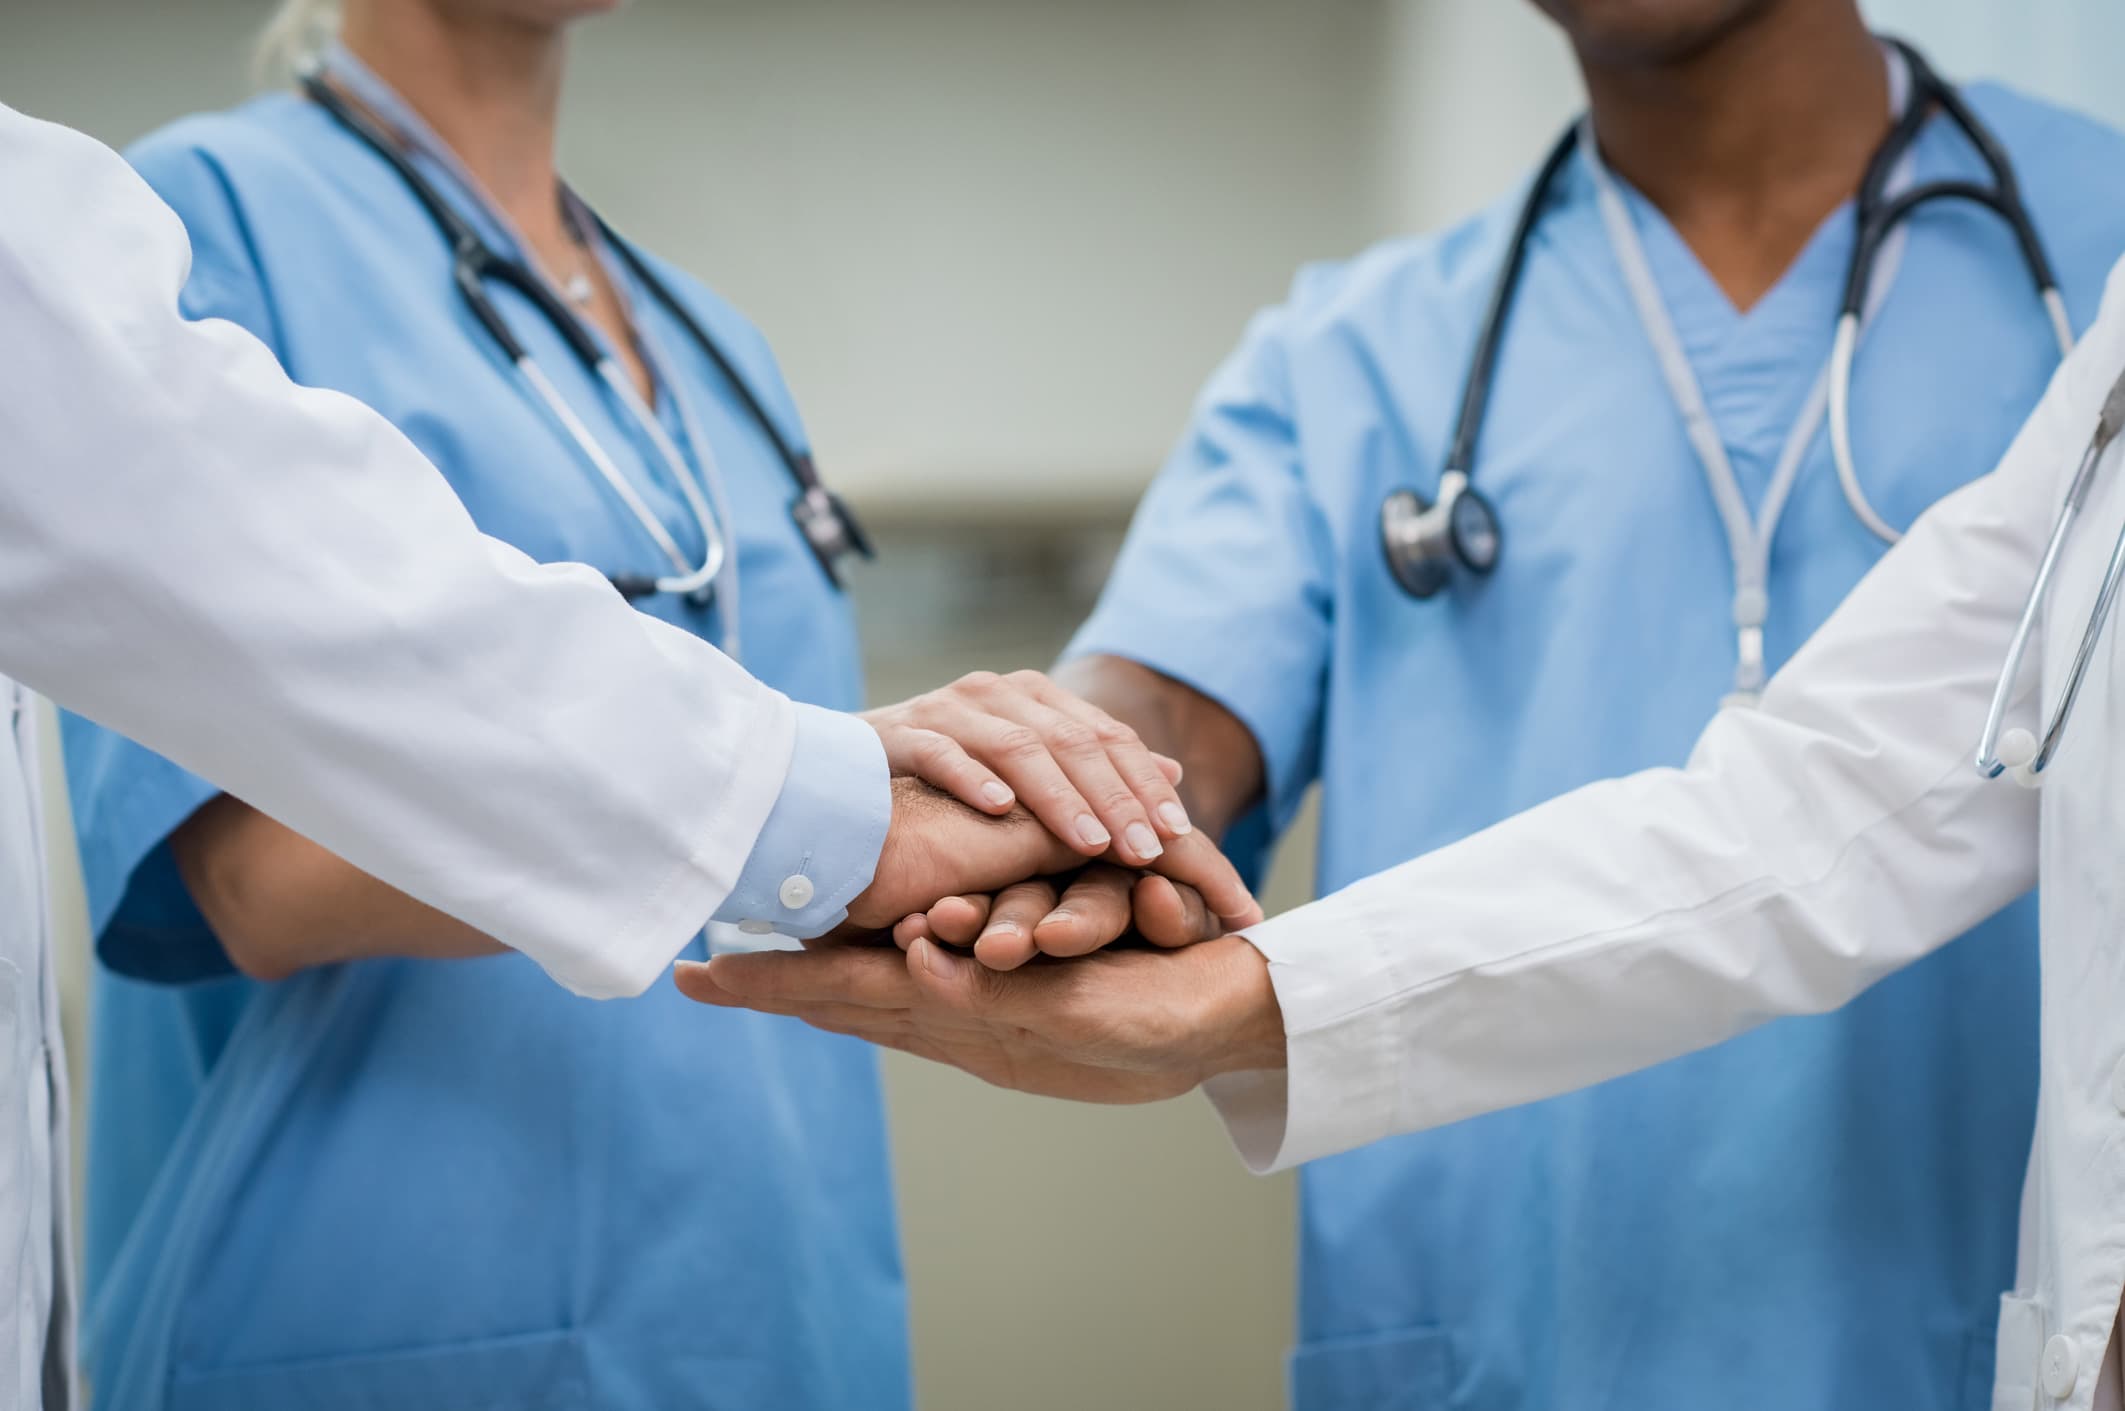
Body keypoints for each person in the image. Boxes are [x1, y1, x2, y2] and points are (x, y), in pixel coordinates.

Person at [680, 3, 2125, 1407]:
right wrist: (1040, 792)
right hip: (1502, 1330)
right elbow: (1165, 711)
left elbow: (1840, 808)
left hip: (1956, 1313)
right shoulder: (1353, 358)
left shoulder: (2099, 247)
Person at [51, 3, 1252, 1407]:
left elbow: (825, 835)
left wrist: (998, 847)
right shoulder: (185, 231)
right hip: (387, 1313)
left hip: (771, 1301)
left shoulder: (706, 339)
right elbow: (251, 875)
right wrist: (831, 820)